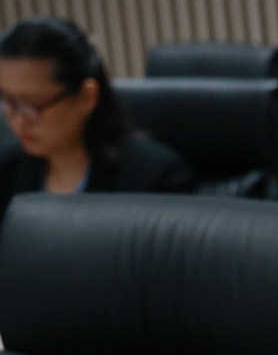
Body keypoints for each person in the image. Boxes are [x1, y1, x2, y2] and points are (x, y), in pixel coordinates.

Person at [0, 17, 194, 224]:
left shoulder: (154, 177)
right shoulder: (8, 171)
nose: (18, 121)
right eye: (6, 100)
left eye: (31, 105)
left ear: (86, 97)